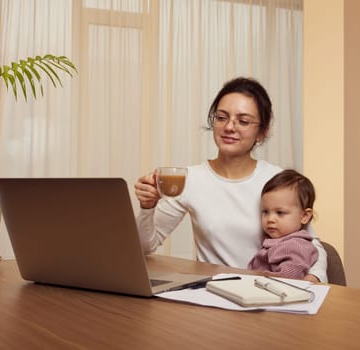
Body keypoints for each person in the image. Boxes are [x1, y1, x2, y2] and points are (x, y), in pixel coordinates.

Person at [134, 77, 327, 282]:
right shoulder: (190, 179)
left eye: (243, 121)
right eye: (222, 117)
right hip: (214, 295)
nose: (229, 127)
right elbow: (145, 247)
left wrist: (313, 278)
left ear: (262, 132)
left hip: (266, 293)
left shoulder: (277, 180)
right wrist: (147, 207)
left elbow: (312, 245)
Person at [247, 169, 318, 279]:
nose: (270, 219)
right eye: (265, 212)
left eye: (280, 213)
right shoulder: (277, 241)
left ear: (304, 216)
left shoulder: (295, 246)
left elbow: (288, 280)